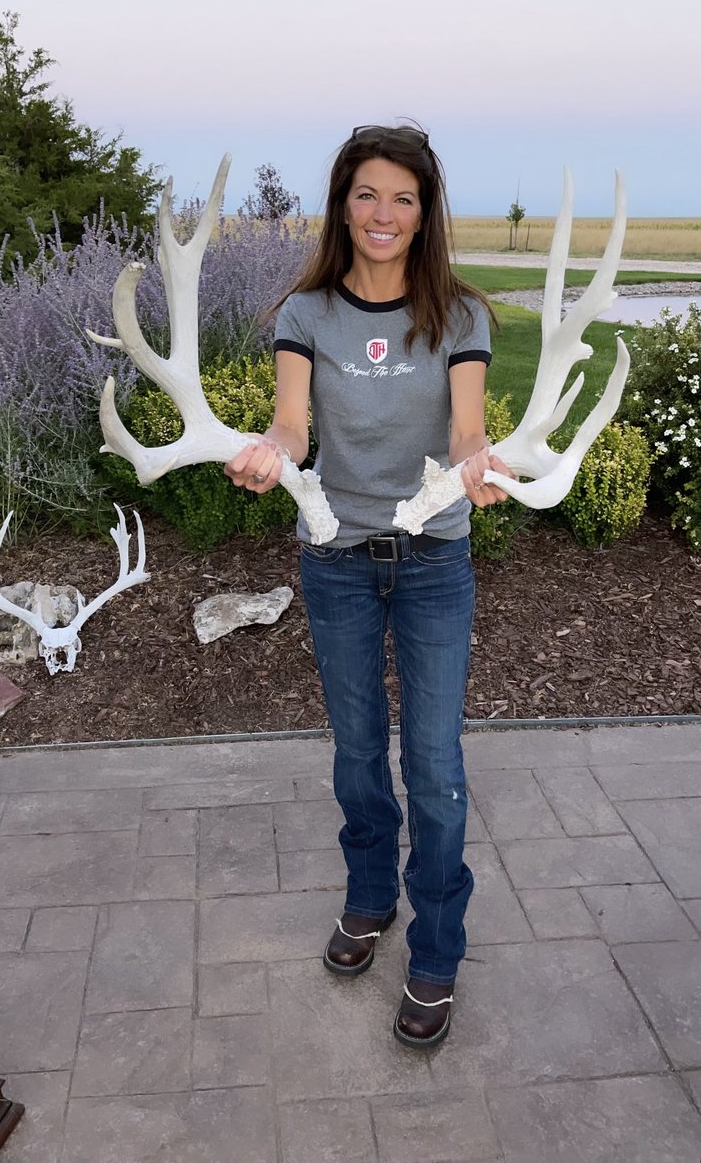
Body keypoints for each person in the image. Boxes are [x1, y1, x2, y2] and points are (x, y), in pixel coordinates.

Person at [225, 124, 515, 1049]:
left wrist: (479, 463)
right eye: (366, 194)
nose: (383, 214)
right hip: (337, 559)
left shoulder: (458, 315)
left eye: (403, 197)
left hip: (435, 559)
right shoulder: (305, 313)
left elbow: (467, 431)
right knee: (358, 751)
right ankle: (367, 898)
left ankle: (437, 947)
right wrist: (272, 452)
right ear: (342, 204)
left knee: (433, 767)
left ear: (424, 211)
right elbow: (293, 423)